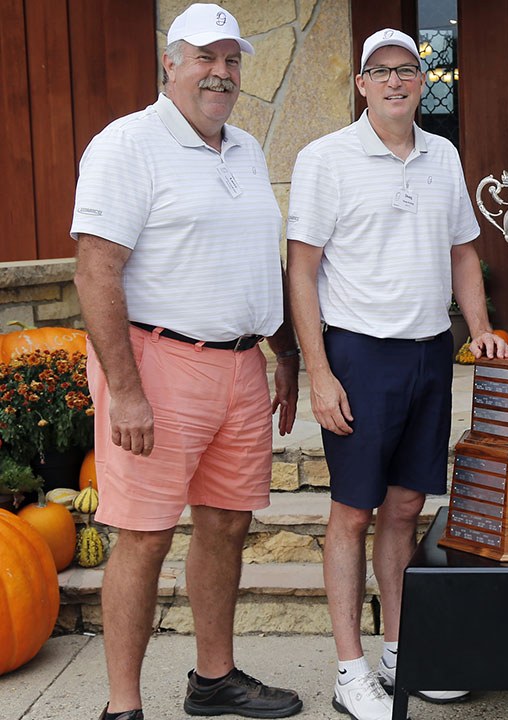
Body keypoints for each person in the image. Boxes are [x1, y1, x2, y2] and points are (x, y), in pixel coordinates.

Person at [70, 4, 303, 720]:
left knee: (227, 524)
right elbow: (96, 271)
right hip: (157, 364)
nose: (220, 73)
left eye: (231, 60)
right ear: (169, 63)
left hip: (240, 366)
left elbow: (259, 259)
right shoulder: (126, 144)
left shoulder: (246, 148)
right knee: (144, 536)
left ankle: (214, 678)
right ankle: (123, 707)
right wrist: (126, 390)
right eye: (205, 57)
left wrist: (285, 352)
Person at [286, 27, 508, 720]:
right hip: (359, 355)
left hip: (428, 352)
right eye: (380, 71)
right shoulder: (326, 158)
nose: (394, 81)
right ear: (361, 84)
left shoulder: (443, 155)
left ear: (421, 82)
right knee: (353, 511)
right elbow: (301, 269)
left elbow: (463, 252)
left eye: (407, 70)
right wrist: (320, 373)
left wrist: (479, 328)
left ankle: (400, 651)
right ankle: (349, 671)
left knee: (407, 508)